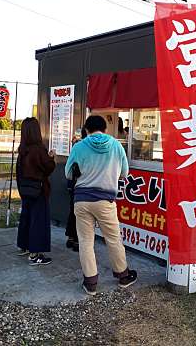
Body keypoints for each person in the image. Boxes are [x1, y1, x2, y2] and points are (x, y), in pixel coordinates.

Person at [65, 115, 137, 296]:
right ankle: (123, 276)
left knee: (85, 241)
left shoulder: (79, 146)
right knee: (113, 239)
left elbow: (68, 173)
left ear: (87, 130)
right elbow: (124, 173)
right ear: (105, 129)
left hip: (82, 200)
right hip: (105, 201)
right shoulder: (116, 145)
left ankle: (90, 283)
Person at [16, 117, 56, 265]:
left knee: (26, 218)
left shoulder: (22, 149)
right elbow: (47, 168)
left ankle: (24, 246)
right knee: (38, 222)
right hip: (38, 190)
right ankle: (35, 255)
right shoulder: (39, 149)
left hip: (25, 190)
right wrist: (51, 157)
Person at [65, 126, 87, 251]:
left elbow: (68, 170)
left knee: (73, 211)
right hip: (83, 185)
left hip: (74, 184)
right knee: (81, 215)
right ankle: (77, 240)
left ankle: (71, 238)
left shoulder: (76, 146)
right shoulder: (88, 148)